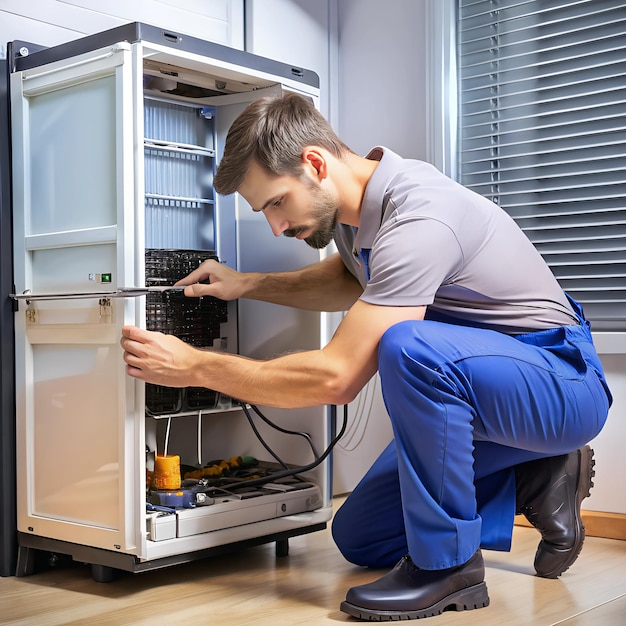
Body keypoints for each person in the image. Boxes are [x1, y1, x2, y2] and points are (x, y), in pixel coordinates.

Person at [121, 93, 612, 621]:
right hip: (493, 397)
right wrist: (247, 284)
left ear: (314, 163)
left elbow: (337, 378)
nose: (276, 227)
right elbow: (347, 278)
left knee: (408, 346)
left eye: (276, 203)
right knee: (360, 536)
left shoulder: (420, 216)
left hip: (561, 381)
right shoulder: (358, 215)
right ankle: (536, 474)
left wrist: (195, 366)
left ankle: (450, 569)